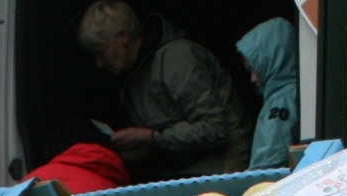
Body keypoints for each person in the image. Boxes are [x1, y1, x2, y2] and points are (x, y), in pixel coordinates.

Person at [76, 2, 251, 181]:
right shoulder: (132, 79)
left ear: (122, 37)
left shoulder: (179, 58)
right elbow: (161, 142)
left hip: (222, 167)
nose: (99, 63)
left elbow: (215, 128)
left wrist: (151, 137)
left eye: (100, 53)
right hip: (181, 172)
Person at [237, 17, 299, 170]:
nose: (253, 78)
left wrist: (249, 186)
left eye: (254, 70)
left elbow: (269, 160)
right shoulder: (293, 93)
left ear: (273, 62)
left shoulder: (281, 100)